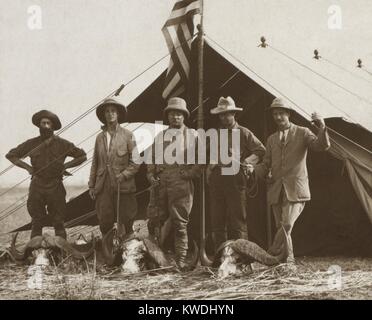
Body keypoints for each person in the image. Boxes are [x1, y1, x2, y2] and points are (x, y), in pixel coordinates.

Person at [249, 97, 331, 263]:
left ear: (288, 114)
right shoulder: (271, 139)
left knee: (286, 224)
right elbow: (266, 165)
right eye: (275, 114)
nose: (278, 117)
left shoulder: (302, 132)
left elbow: (321, 146)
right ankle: (288, 262)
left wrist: (322, 126)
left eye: (281, 113)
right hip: (276, 189)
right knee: (283, 228)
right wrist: (253, 170)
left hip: (295, 189)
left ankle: (270, 254)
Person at [6, 110, 87, 239]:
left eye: (48, 123)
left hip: (55, 186)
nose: (45, 126)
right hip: (37, 185)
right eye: (43, 123)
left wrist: (65, 166)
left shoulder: (63, 144)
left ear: (53, 127)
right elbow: (11, 155)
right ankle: (35, 252)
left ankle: (61, 252)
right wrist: (28, 167)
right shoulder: (31, 143)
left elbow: (82, 156)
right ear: (39, 126)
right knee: (36, 222)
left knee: (59, 222)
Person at [146, 97, 200, 270]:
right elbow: (151, 158)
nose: (175, 117)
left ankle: (181, 261)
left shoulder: (193, 135)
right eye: (172, 114)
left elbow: (202, 160)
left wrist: (190, 173)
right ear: (167, 116)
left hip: (181, 183)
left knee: (180, 223)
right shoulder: (161, 136)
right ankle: (157, 259)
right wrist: (150, 174)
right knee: (156, 221)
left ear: (184, 116)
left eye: (179, 114)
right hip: (161, 182)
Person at [207, 96, 266, 251]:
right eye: (221, 114)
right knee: (217, 219)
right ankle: (222, 257)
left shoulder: (244, 132)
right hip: (217, 177)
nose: (224, 117)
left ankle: (242, 256)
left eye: (228, 114)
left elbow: (261, 150)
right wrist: (210, 167)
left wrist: (246, 163)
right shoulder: (215, 134)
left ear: (234, 114)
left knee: (238, 218)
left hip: (234, 176)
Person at [88, 97, 140, 237]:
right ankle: (107, 253)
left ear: (118, 114)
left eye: (113, 111)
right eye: (107, 111)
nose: (110, 114)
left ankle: (127, 251)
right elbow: (95, 162)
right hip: (103, 186)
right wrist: (92, 185)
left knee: (127, 220)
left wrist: (123, 175)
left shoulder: (128, 135)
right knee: (105, 222)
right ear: (104, 115)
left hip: (122, 185)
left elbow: (136, 162)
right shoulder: (100, 137)